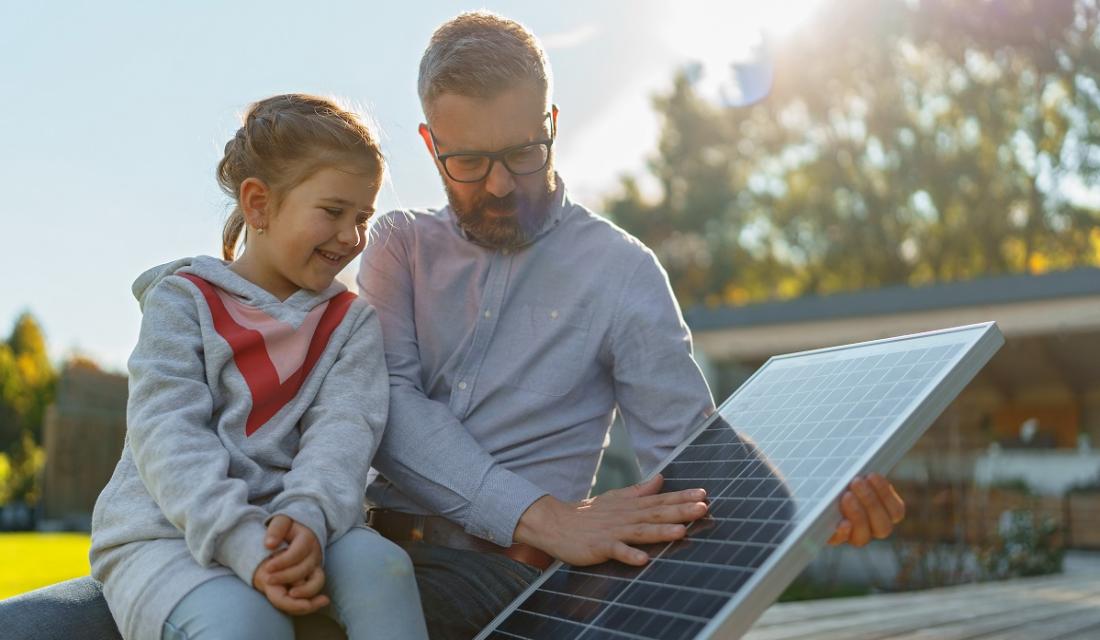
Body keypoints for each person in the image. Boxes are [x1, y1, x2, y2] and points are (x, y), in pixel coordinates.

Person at [352, 11, 906, 640]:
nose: (501, 184)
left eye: (523, 153)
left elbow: (690, 452)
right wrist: (545, 517)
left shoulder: (621, 270)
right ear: (431, 145)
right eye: (469, 163)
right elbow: (388, 405)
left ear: (552, 125)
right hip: (368, 552)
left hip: (504, 585)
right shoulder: (398, 246)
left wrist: (812, 510)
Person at [88, 93, 427, 640]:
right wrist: (243, 541)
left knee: (384, 569)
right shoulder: (183, 301)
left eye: (362, 217)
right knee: (245, 623)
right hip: (168, 533)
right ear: (259, 205)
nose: (351, 236)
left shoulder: (350, 322)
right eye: (333, 212)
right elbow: (167, 432)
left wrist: (309, 518)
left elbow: (344, 433)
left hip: (302, 524)